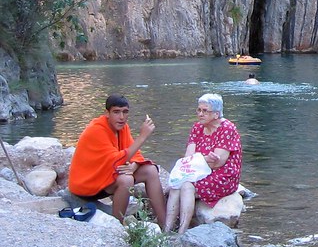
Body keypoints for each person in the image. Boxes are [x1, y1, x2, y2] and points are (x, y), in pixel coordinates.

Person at [68, 94, 167, 227]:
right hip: (88, 184)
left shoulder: (122, 128)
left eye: (125, 112)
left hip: (106, 176)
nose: (121, 117)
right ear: (107, 113)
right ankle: (116, 226)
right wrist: (143, 137)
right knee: (126, 180)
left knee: (150, 171)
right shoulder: (96, 130)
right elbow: (116, 161)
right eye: (116, 112)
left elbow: (135, 154)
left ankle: (165, 225)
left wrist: (134, 165)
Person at [164, 93, 243, 233]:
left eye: (205, 111)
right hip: (198, 171)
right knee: (176, 186)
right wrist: (205, 158)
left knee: (187, 186)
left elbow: (218, 163)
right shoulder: (197, 127)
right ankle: (166, 230)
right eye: (199, 110)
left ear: (216, 114)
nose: (200, 114)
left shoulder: (227, 129)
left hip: (223, 175)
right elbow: (188, 157)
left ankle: (182, 232)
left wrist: (199, 159)